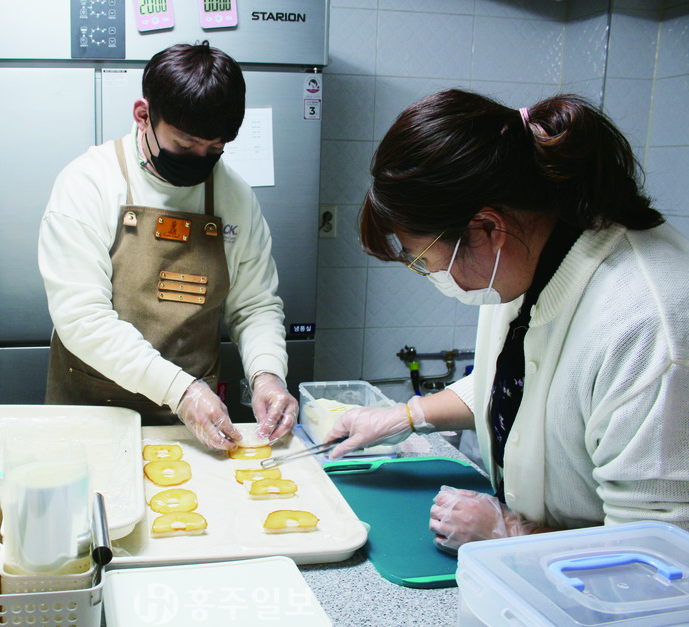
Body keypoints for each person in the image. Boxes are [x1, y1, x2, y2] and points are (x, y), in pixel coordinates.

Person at [327, 89, 689, 550]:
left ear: (486, 229)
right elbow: (521, 385)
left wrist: (514, 533)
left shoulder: (647, 326)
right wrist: (403, 416)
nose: (430, 274)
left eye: (423, 260)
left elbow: (659, 553)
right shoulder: (529, 251)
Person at [38, 42, 297, 450]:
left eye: (215, 149)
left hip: (192, 426)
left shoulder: (234, 197)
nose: (200, 159)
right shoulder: (89, 184)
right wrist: (182, 391)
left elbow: (255, 306)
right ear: (143, 115)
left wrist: (267, 374)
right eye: (186, 145)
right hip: (93, 413)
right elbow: (82, 319)